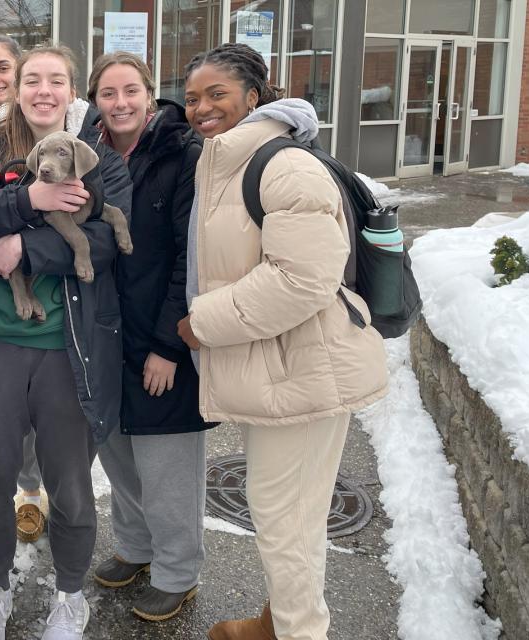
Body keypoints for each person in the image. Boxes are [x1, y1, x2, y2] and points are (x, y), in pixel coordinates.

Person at [177, 43, 388, 640]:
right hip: (284, 365)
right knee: (292, 517)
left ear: (254, 95)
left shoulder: (283, 164)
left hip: (304, 366)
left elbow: (302, 279)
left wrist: (203, 322)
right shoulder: (226, 160)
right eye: (192, 98)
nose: (201, 108)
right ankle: (280, 622)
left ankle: (298, 632)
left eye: (217, 94)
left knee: (282, 520)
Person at [0, 44, 132, 640]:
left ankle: (69, 593)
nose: (42, 91)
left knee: (70, 478)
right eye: (32, 79)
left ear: (70, 89)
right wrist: (27, 201)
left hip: (70, 344)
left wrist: (28, 247)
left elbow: (107, 244)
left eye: (56, 80)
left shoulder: (100, 158)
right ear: (15, 85)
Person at [87, 51, 212, 622]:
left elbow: (194, 257)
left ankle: (177, 572)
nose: (120, 104)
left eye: (130, 91)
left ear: (148, 94)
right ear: (95, 100)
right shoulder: (85, 156)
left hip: (162, 337)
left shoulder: (182, 153)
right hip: (106, 337)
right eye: (108, 93)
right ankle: (137, 549)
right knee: (119, 456)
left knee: (166, 467)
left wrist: (169, 345)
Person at [0, 32, 50, 545]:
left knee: (55, 423)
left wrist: (24, 242)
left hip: (62, 305)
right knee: (4, 419)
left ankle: (39, 494)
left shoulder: (68, 129)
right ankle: (25, 494)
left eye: (4, 68)